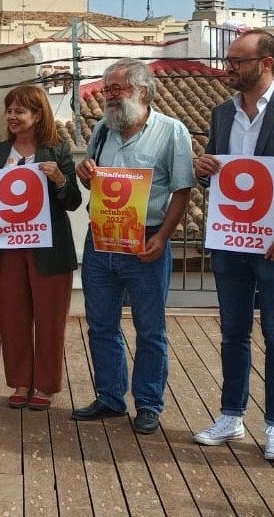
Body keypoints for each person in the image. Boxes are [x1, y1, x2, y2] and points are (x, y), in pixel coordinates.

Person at [192, 31, 274, 461]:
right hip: (231, 240)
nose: (228, 68)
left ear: (266, 62)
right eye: (229, 60)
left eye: (237, 61)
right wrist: (204, 167)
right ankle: (231, 415)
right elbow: (215, 170)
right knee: (232, 331)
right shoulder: (220, 113)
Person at [72, 59, 194, 435]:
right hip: (102, 239)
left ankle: (148, 404)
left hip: (146, 239)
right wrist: (84, 174)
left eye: (117, 89)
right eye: (107, 90)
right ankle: (110, 398)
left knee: (150, 328)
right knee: (101, 324)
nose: (109, 97)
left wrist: (163, 238)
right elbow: (95, 183)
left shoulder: (173, 132)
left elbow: (182, 190)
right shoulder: (102, 131)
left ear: (142, 92)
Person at [0, 84, 82, 411]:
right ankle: (21, 381)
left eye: (19, 111)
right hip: (7, 247)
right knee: (12, 317)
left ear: (37, 115)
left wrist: (60, 180)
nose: (12, 116)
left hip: (49, 250)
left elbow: (73, 202)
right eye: (9, 110)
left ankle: (46, 385)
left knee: (50, 320)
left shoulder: (57, 150)